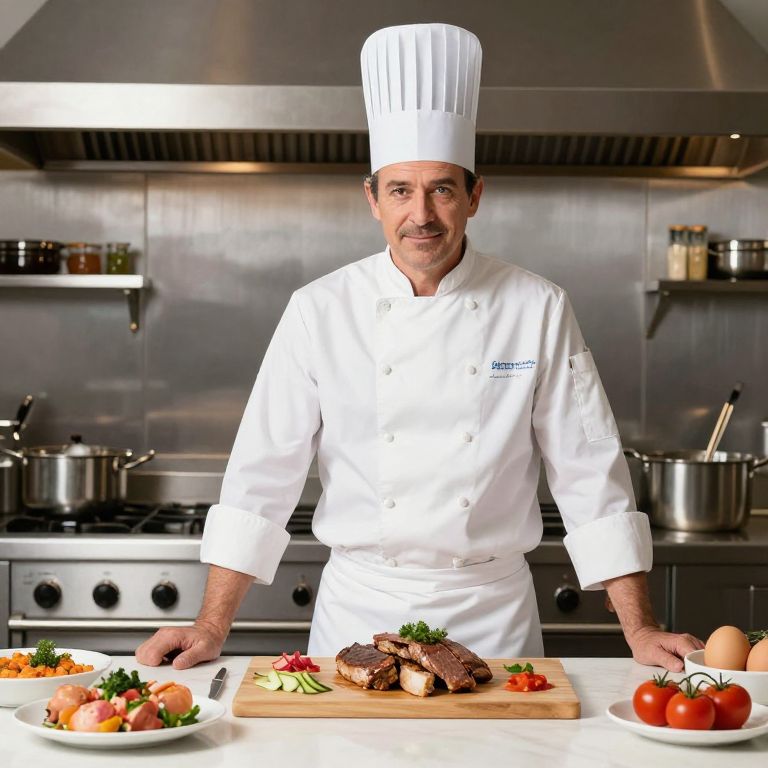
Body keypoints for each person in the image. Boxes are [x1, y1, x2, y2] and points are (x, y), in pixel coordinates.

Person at [136, 23, 703, 672]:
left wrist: (640, 628)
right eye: (401, 190)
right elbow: (260, 476)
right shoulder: (319, 310)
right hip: (359, 615)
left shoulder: (538, 307)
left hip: (493, 618)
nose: (422, 215)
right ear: (372, 199)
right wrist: (211, 626)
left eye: (442, 188)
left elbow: (590, 474)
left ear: (475, 196)